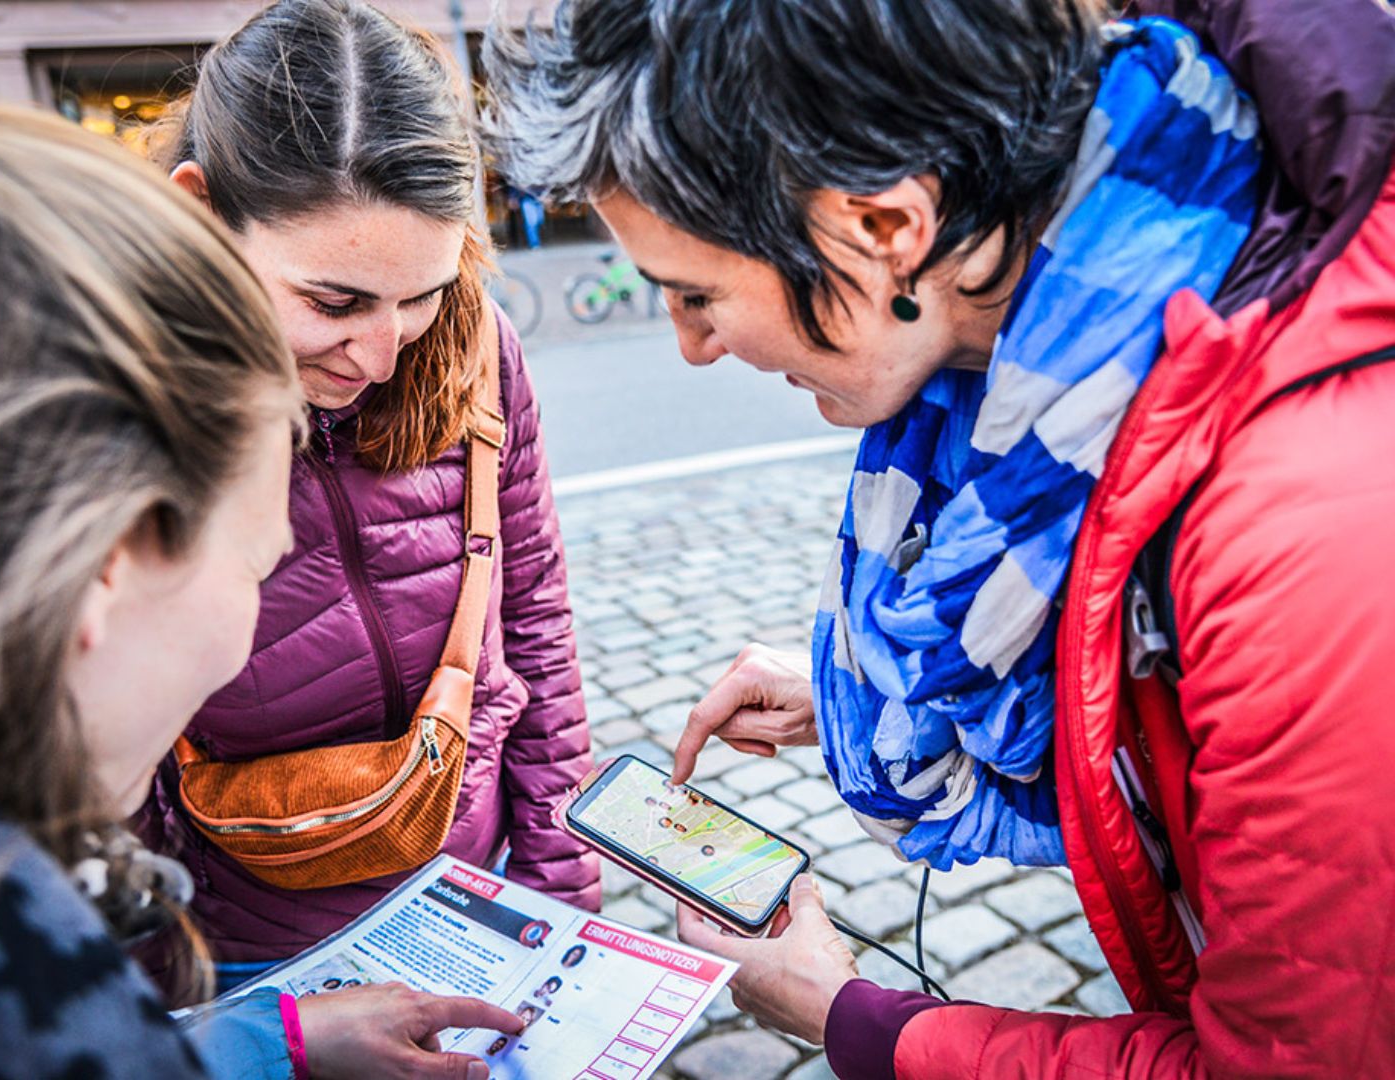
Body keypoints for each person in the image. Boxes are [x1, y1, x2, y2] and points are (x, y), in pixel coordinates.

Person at [483, 0, 1395, 1075]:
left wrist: (859, 1021)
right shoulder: (1054, 376)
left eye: (698, 293)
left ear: (883, 230)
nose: (692, 348)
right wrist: (855, 708)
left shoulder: (1301, 522)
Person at [0, 104, 523, 1080]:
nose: (379, 355)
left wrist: (267, 1041)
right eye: (256, 563)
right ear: (111, 561)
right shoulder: (23, 984)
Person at [147, 0, 598, 988]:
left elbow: (532, 627)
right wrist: (175, 992)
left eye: (423, 293)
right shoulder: (122, 404)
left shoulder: (480, 354)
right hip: (247, 943)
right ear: (197, 214)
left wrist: (561, 887)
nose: (385, 355)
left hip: (482, 892)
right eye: (335, 302)